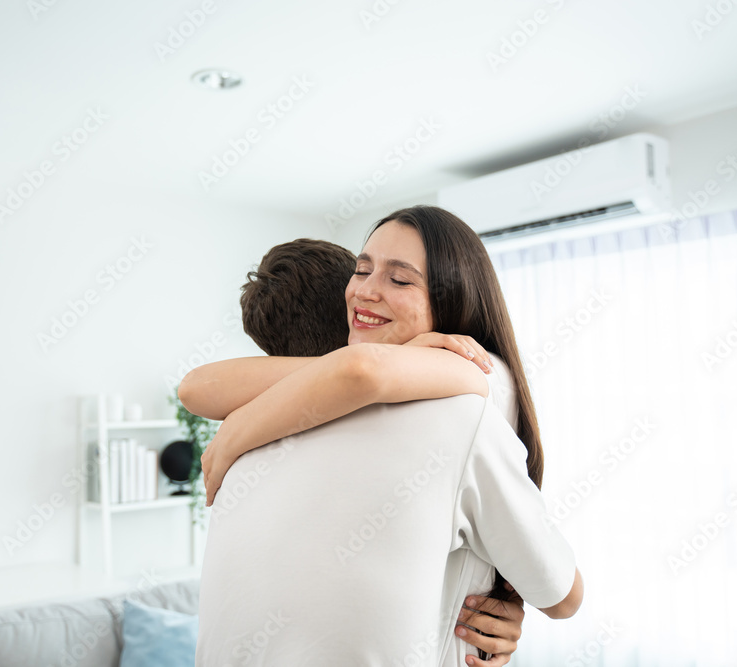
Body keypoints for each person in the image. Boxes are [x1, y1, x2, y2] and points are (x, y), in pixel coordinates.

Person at [183, 206, 582, 666]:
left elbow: (358, 370)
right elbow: (562, 597)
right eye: (362, 269)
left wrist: (235, 433)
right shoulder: (323, 403)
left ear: (452, 298)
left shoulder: (476, 376)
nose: (367, 291)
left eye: (400, 279)